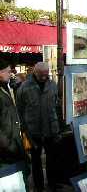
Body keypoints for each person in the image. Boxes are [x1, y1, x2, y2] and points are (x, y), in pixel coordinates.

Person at [16, 62, 61, 191]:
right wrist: (24, 128)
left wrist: (56, 127)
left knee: (52, 159)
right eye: (41, 75)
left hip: (50, 129)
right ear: (35, 72)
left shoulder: (52, 85)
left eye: (46, 75)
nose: (44, 77)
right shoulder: (24, 87)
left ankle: (52, 184)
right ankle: (39, 186)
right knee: (36, 161)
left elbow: (56, 104)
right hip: (33, 131)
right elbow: (19, 109)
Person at [0, 58, 26, 167]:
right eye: (8, 71)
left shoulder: (5, 87)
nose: (10, 74)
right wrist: (8, 144)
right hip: (6, 148)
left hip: (13, 142)